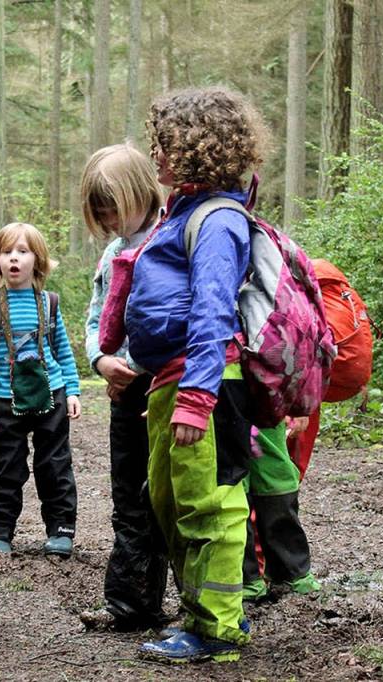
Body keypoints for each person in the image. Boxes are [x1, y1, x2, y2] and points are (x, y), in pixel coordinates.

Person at [125, 87, 268, 664]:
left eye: (165, 144)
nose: (155, 155)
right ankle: (200, 616)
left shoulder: (218, 219)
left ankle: (218, 630)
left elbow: (213, 310)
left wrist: (196, 396)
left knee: (210, 505)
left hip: (205, 378)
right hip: (173, 378)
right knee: (171, 501)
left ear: (197, 147)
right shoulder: (183, 213)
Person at [79, 143, 168, 631]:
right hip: (126, 392)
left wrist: (137, 366)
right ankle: (131, 605)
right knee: (129, 498)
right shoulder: (113, 254)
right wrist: (101, 360)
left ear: (139, 192)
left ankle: (205, 602)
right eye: (101, 212)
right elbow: (96, 318)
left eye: (113, 208)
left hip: (168, 387)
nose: (109, 220)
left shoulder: (171, 240)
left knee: (171, 498)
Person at [0, 222, 81, 557]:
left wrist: (73, 390)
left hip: (51, 394)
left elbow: (62, 349)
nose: (14, 258)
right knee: (5, 466)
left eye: (22, 251)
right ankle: (0, 531)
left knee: (55, 463)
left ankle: (61, 529)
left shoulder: (49, 303)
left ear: (37, 260)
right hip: (3, 398)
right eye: (7, 252)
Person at [242, 422, 321, 602]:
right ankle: (245, 580)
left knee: (274, 473)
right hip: (217, 414)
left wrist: (299, 408)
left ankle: (289, 574)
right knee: (232, 481)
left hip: (266, 412)